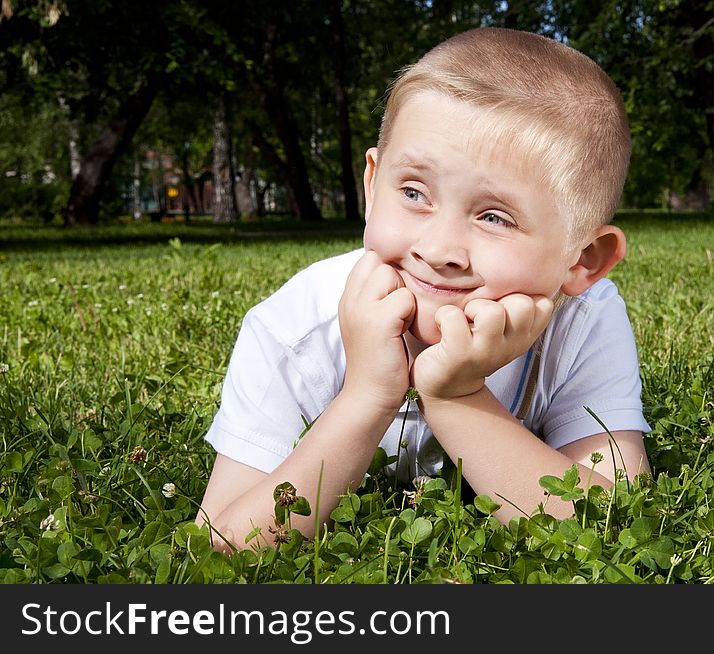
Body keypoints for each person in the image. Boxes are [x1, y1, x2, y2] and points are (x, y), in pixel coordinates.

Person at [196, 27, 651, 552]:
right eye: (413, 192)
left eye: (495, 217)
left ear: (582, 259)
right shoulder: (297, 327)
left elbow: (613, 526)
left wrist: (457, 397)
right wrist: (367, 394)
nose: (438, 249)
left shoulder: (585, 322)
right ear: (372, 184)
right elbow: (222, 546)